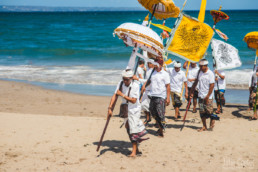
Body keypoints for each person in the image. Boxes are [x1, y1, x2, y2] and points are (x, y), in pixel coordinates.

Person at [107, 69, 148, 157]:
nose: (124, 81)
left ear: (131, 78)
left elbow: (133, 100)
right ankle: (136, 148)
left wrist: (122, 95)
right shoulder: (121, 83)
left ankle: (134, 151)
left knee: (133, 130)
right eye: (123, 79)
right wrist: (110, 108)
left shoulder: (135, 86)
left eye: (126, 79)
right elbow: (115, 95)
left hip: (134, 110)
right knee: (128, 127)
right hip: (125, 109)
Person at [143, 58, 170, 137]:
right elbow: (149, 81)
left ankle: (161, 131)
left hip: (161, 96)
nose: (155, 66)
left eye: (157, 64)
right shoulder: (153, 72)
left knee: (160, 114)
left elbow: (168, 86)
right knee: (152, 112)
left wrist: (168, 98)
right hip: (152, 95)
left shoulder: (165, 74)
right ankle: (160, 127)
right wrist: (144, 86)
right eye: (155, 64)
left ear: (161, 65)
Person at [190, 59, 219, 132]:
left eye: (201, 66)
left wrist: (207, 96)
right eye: (199, 66)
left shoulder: (210, 74)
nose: (200, 67)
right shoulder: (199, 72)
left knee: (209, 111)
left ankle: (213, 119)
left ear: (205, 66)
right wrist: (192, 91)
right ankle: (204, 126)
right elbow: (196, 81)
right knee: (202, 112)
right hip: (200, 95)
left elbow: (212, 85)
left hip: (208, 96)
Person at [133, 60, 155, 125]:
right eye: (147, 63)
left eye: (150, 63)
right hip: (146, 90)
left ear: (153, 64)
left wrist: (138, 79)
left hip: (152, 91)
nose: (148, 64)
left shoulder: (154, 71)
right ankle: (148, 118)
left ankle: (157, 121)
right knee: (143, 105)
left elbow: (148, 81)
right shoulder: (148, 69)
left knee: (154, 107)